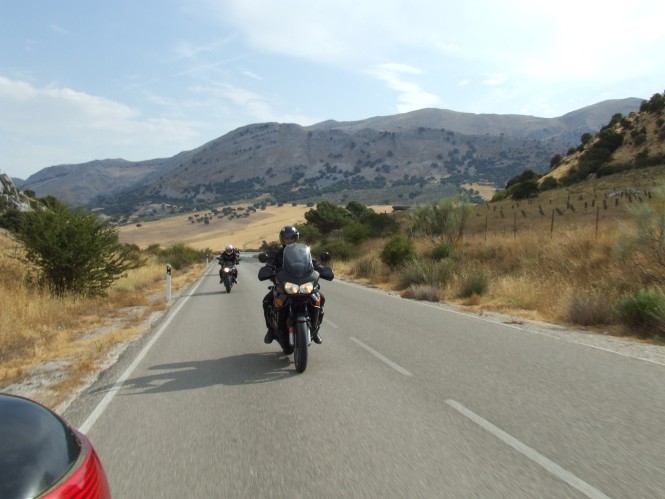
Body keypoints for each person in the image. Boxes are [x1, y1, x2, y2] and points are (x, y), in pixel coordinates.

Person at [261, 225, 326, 345]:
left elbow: (314, 263)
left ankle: (315, 330)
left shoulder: (304, 252)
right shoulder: (277, 253)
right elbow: (269, 264)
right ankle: (270, 331)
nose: (289, 240)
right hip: (283, 286)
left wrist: (323, 269)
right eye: (286, 238)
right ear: (282, 239)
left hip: (303, 284)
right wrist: (267, 270)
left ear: (296, 238)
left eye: (291, 238)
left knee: (320, 298)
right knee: (267, 301)